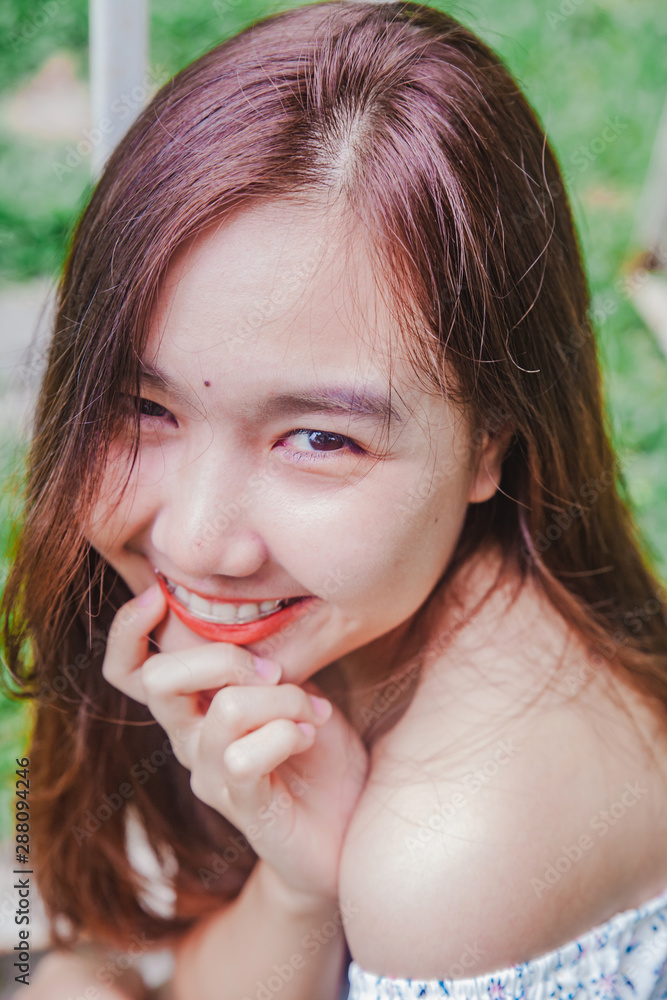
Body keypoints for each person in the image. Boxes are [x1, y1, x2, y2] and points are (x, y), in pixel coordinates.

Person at [3, 1, 667, 997]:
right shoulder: (389, 629)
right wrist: (297, 885)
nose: (194, 536)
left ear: (492, 439)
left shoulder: (452, 852)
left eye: (320, 438)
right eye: (144, 406)